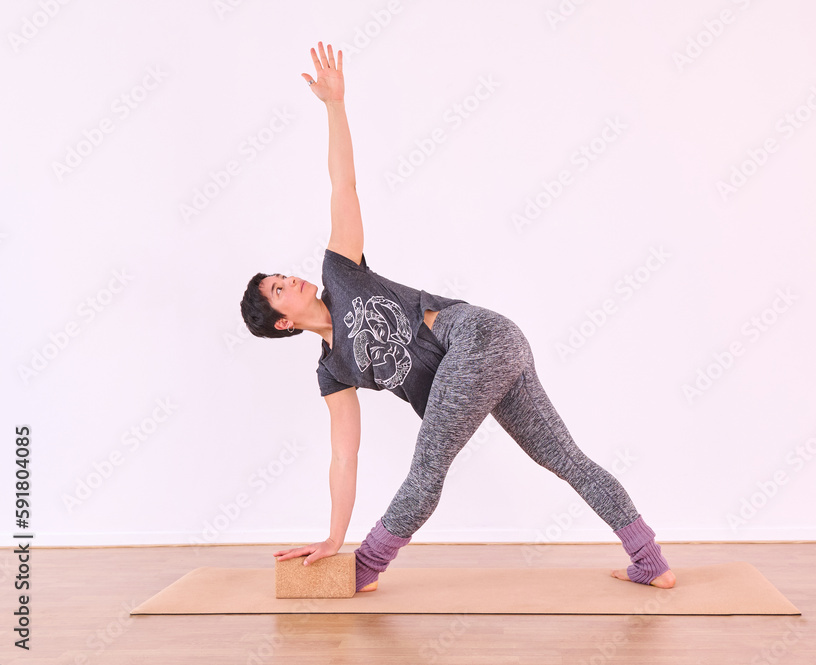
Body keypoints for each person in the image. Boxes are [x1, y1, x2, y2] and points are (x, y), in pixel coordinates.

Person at [241, 42, 675, 593]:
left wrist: (334, 106)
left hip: (480, 334)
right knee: (562, 458)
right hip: (489, 360)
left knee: (428, 468)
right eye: (280, 290)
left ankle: (367, 568)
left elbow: (342, 185)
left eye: (283, 275)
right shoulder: (333, 373)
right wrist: (332, 537)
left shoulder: (340, 272)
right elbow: (344, 457)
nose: (292, 280)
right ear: (282, 322)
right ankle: (651, 561)